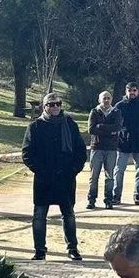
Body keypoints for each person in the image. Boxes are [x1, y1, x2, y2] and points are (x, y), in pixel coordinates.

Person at [23, 92, 88, 261]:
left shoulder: (69, 124)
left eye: (58, 103)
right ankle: (39, 250)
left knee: (69, 214)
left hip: (65, 177)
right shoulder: (35, 126)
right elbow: (27, 153)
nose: (55, 107)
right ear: (44, 107)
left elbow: (80, 150)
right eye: (51, 104)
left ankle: (73, 248)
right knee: (39, 215)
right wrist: (40, 170)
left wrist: (74, 169)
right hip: (44, 179)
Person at [115, 82, 139, 204]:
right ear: (125, 91)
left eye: (134, 90)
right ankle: (116, 196)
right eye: (129, 90)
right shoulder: (119, 106)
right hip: (123, 143)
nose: (132, 92)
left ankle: (137, 195)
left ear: (138, 91)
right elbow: (115, 123)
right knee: (119, 170)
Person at [86, 90, 124, 209]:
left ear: (111, 100)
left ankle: (108, 200)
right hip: (97, 148)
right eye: (104, 98)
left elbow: (117, 128)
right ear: (99, 100)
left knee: (110, 176)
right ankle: (91, 199)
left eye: (108, 98)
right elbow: (91, 129)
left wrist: (101, 126)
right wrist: (109, 130)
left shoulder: (116, 112)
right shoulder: (94, 112)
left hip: (111, 149)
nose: (106, 100)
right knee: (94, 176)